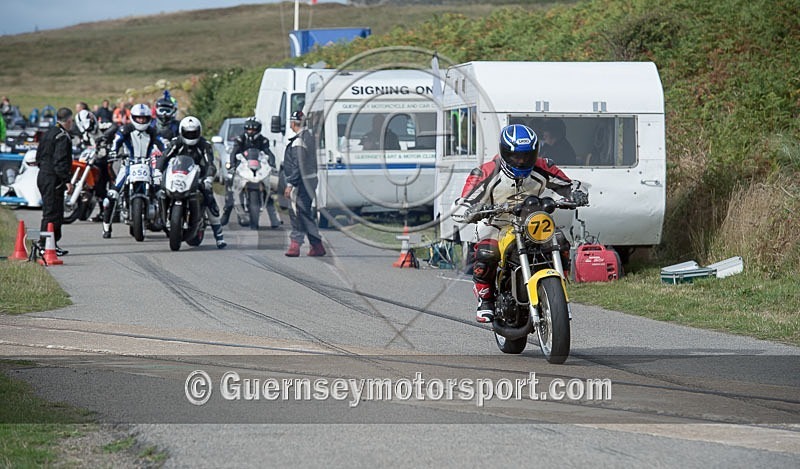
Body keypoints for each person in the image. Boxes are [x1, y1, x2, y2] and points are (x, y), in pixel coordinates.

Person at [455, 124, 579, 323]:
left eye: (526, 155)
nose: (521, 161)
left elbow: (568, 185)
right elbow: (465, 200)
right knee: (487, 252)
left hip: (532, 222)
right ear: (504, 152)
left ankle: (558, 286)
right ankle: (485, 299)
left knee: (560, 240)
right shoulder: (485, 172)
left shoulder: (542, 166)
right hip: (497, 223)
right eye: (516, 156)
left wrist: (576, 195)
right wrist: (468, 210)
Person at [156, 116, 227, 249]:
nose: (191, 135)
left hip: (198, 177)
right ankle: (160, 217)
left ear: (199, 132)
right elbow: (164, 157)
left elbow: (210, 164)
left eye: (193, 133)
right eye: (188, 133)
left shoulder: (204, 145)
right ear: (182, 132)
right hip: (177, 176)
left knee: (209, 197)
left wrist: (209, 178)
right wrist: (158, 171)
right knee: (160, 191)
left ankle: (219, 236)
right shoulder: (176, 143)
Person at [102, 103, 165, 238]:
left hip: (148, 165)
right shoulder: (125, 130)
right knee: (112, 194)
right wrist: (112, 152)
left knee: (161, 192)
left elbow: (162, 143)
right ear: (133, 117)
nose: (141, 121)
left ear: (149, 118)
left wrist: (166, 152)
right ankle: (106, 227)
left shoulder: (153, 131)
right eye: (138, 118)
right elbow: (116, 142)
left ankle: (166, 222)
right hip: (128, 164)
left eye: (144, 118)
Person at [221, 117, 281, 228]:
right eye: (248, 129)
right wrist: (233, 166)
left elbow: (269, 153)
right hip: (242, 167)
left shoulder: (263, 140)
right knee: (231, 188)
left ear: (258, 130)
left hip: (257, 169)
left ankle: (274, 219)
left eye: (253, 130)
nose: (250, 132)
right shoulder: (240, 139)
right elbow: (234, 153)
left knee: (270, 191)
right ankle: (226, 214)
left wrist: (272, 165)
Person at [283, 111, 324, 257]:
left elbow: (298, 165)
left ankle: (295, 245)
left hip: (301, 182)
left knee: (297, 214)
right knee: (304, 213)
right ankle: (316, 245)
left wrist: (290, 184)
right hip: (310, 179)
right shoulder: (310, 137)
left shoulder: (299, 141)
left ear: (293, 124)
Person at [34, 107, 75, 256]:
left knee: (53, 212)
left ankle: (51, 243)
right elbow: (60, 161)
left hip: (43, 175)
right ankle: (45, 244)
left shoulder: (48, 133)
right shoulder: (62, 136)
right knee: (53, 213)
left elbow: (38, 156)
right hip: (53, 178)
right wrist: (67, 180)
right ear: (69, 121)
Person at [74, 109, 118, 221]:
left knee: (105, 182)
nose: (89, 130)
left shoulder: (102, 124)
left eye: (89, 127)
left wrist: (105, 136)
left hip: (107, 158)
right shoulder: (84, 133)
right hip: (92, 159)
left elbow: (114, 126)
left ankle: (110, 210)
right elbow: (79, 143)